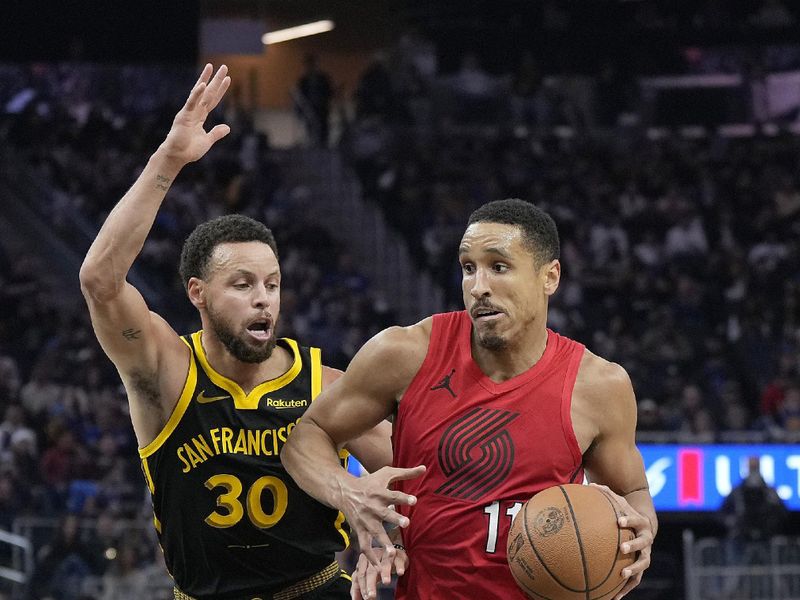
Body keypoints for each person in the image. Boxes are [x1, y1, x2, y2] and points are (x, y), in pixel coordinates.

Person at [79, 64, 391, 599]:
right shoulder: (167, 372)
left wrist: (391, 536)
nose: (264, 296)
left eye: (271, 282)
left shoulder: (326, 385)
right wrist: (168, 160)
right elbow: (100, 282)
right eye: (242, 283)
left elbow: (423, 480)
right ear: (197, 293)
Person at [282, 198, 658, 599]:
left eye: (498, 267)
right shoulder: (404, 353)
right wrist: (350, 494)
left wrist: (639, 537)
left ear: (550, 277)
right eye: (468, 268)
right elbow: (307, 437)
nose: (478, 287)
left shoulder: (600, 385)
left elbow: (633, 493)